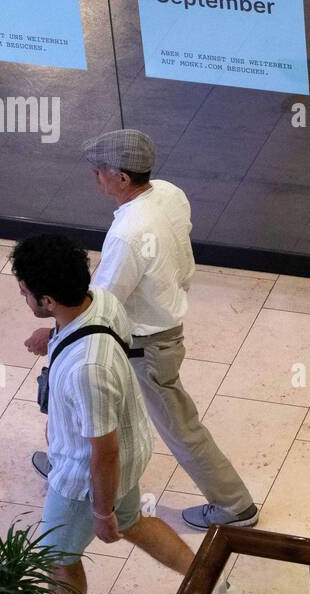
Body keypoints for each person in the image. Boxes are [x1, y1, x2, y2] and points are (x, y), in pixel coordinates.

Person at [10, 234, 236, 594]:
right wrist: (51, 334)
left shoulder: (87, 368)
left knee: (56, 555)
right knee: (134, 520)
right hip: (133, 447)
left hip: (84, 475)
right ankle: (212, 585)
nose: (21, 296)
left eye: (25, 292)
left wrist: (101, 511)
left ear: (49, 298)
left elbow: (103, 450)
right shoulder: (102, 303)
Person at [25, 129, 258, 530]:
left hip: (142, 345)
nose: (94, 177)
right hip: (155, 331)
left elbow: (100, 302)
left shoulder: (128, 235)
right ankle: (66, 463)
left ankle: (235, 506)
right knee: (85, 407)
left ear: (122, 179)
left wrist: (52, 336)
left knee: (175, 425)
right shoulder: (168, 193)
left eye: (99, 171)